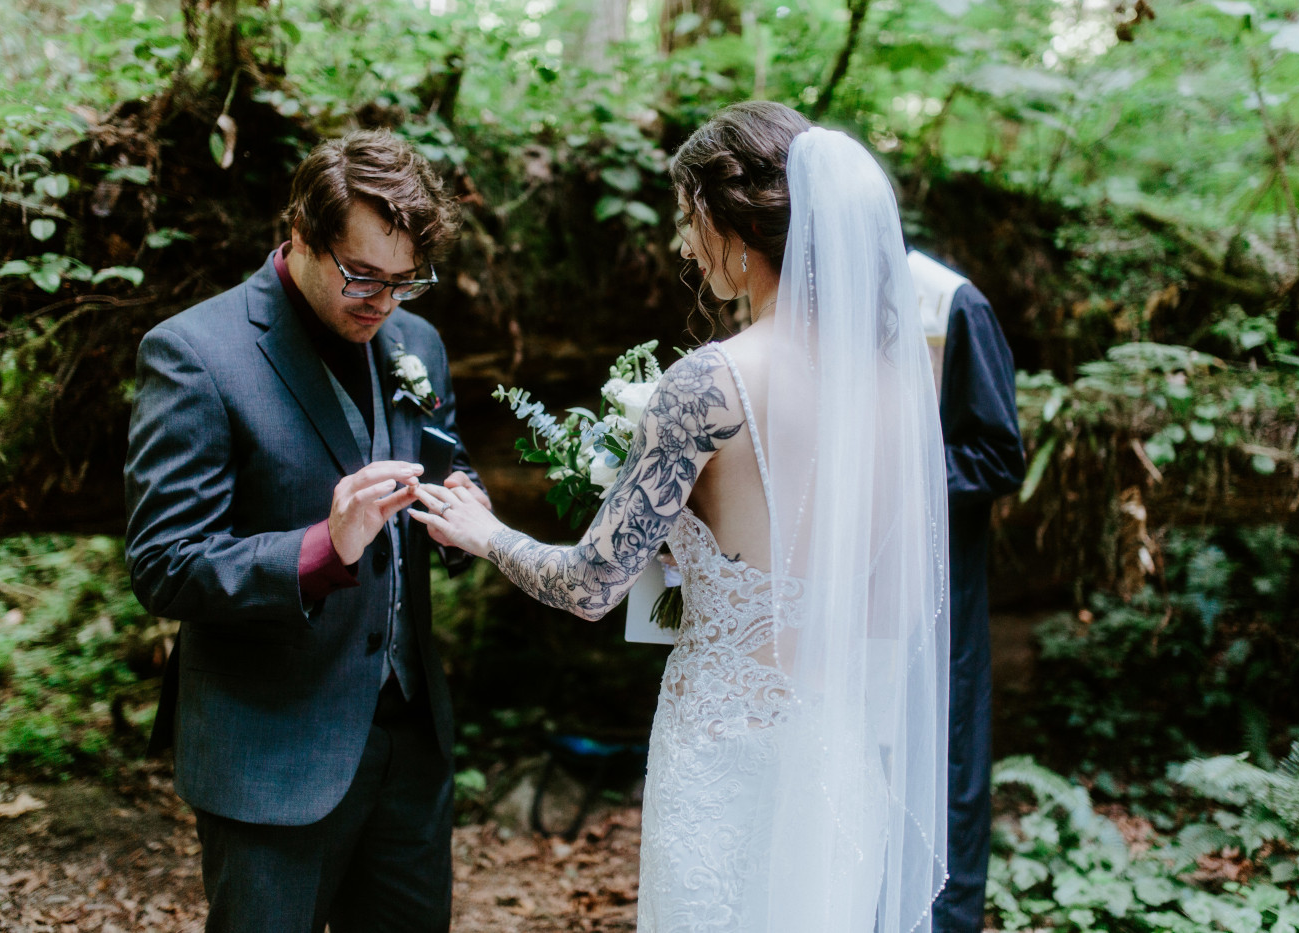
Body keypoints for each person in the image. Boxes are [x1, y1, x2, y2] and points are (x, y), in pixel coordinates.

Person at [413, 101, 951, 933]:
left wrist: (488, 536)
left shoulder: (709, 385)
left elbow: (591, 585)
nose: (682, 244)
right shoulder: (894, 388)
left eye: (687, 218)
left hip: (724, 754)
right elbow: (891, 608)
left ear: (735, 228)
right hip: (838, 756)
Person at [124, 129, 487, 933]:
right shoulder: (194, 354)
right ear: (300, 234)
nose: (383, 302)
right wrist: (324, 546)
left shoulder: (415, 342)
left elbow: (448, 461)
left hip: (409, 744)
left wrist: (467, 515)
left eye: (405, 281)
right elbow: (163, 562)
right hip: (271, 753)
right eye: (362, 275)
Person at [909, 250, 1026, 933]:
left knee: (946, 755)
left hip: (937, 581)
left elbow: (997, 453)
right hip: (836, 584)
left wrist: (891, 472)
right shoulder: (804, 302)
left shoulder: (952, 304)